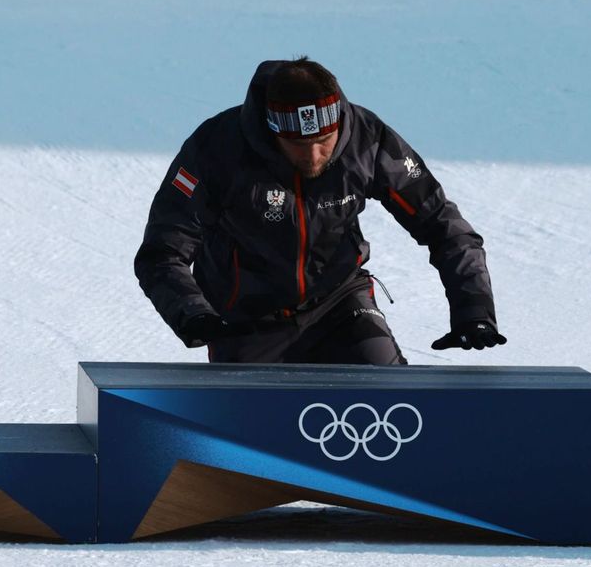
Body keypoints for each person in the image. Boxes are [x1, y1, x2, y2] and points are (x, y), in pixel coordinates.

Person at [134, 58, 503, 363]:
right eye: (296, 145)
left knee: (392, 404)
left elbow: (443, 224)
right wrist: (192, 312)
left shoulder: (366, 138)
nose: (312, 157)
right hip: (244, 322)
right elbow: (162, 252)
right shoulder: (215, 149)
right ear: (270, 128)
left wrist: (474, 307)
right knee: (251, 441)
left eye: (323, 142)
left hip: (341, 304)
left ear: (338, 123)